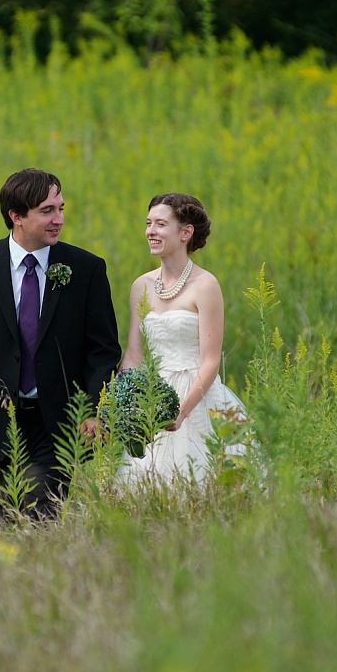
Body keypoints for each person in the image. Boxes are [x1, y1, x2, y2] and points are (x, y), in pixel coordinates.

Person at [0, 168, 121, 519]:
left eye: (61, 208)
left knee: (42, 518)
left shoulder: (86, 268)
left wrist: (92, 409)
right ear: (16, 216)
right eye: (47, 210)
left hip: (61, 423)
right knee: (1, 519)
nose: (59, 219)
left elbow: (103, 350)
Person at [115, 193, 247, 484]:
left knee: (203, 479)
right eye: (148, 223)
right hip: (155, 394)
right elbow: (134, 355)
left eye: (161, 224)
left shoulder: (205, 285)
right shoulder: (141, 286)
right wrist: (124, 401)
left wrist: (181, 411)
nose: (151, 231)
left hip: (197, 396)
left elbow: (211, 360)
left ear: (185, 232)